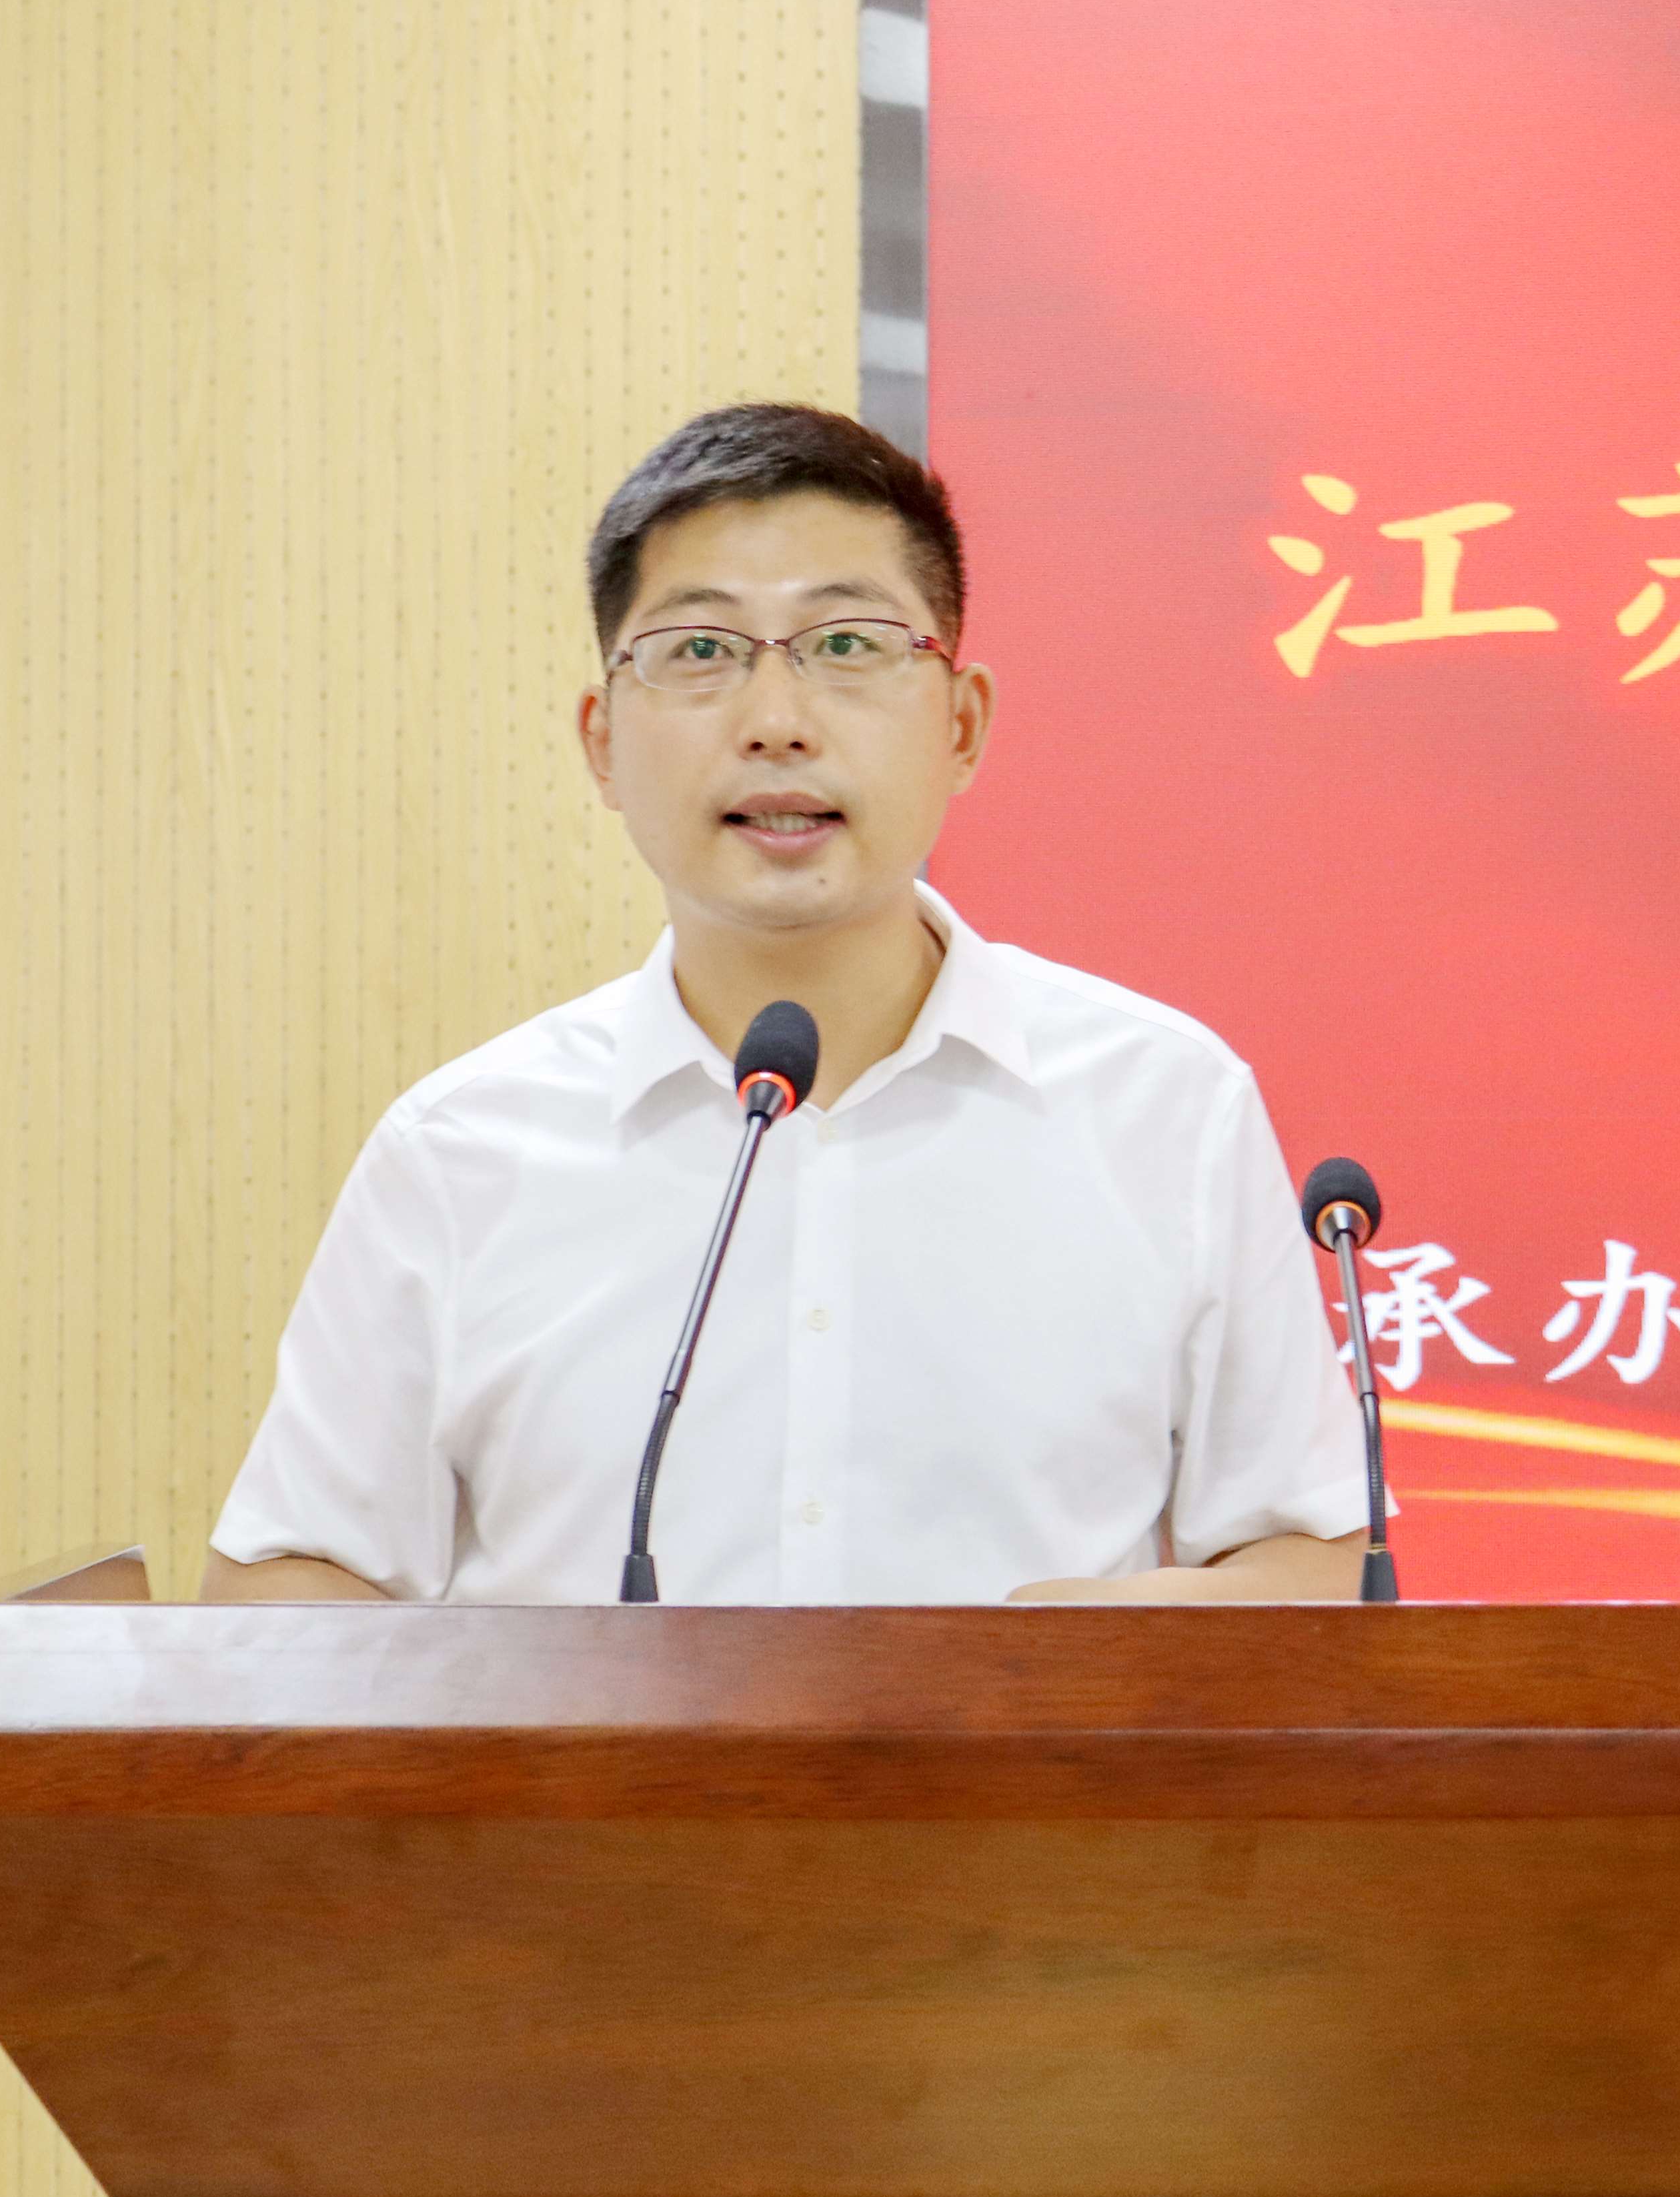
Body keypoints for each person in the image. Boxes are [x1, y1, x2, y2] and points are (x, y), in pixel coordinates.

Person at [201, 404, 1367, 1604]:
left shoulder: (1164, 1105)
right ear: (602, 744)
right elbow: (290, 1577)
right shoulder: (460, 1151)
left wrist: (1056, 1668)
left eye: (847, 644)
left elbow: (1313, 1555)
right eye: (700, 650)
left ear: (962, 725)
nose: (775, 724)